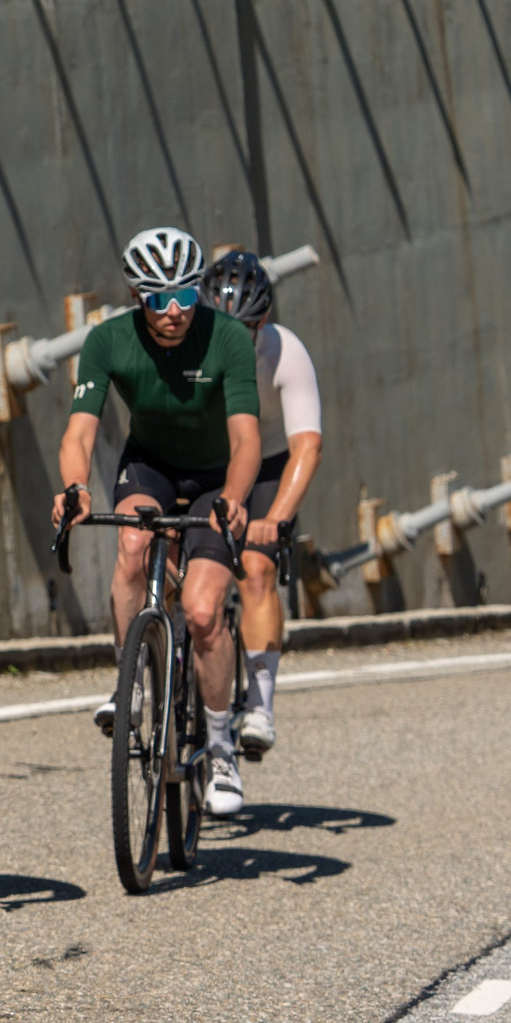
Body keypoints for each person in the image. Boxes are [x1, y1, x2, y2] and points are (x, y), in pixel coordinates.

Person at [52, 226, 261, 819]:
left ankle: (220, 747)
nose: (174, 311)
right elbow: (79, 433)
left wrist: (236, 498)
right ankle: (133, 685)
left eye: (186, 296)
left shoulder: (228, 339)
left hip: (216, 477)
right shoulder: (108, 340)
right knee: (132, 547)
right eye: (158, 298)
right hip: (150, 468)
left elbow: (247, 439)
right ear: (135, 296)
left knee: (202, 611)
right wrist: (75, 487)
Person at [200, 250, 322, 758]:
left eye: (244, 330)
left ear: (263, 322)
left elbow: (306, 446)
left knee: (255, 570)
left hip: (269, 462)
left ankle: (260, 705)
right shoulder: (187, 349)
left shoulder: (285, 352)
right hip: (210, 461)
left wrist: (275, 519)